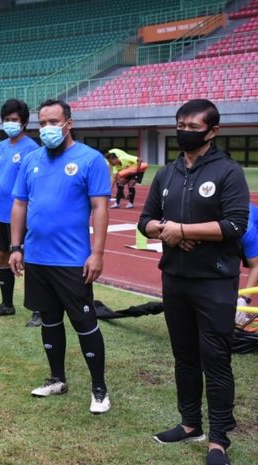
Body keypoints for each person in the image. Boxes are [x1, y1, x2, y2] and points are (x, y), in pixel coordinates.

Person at [138, 99, 248, 465]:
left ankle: (218, 440)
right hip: (175, 279)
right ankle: (189, 424)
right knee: (184, 357)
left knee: (215, 359)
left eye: (193, 126)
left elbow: (235, 225)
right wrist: (166, 231)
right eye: (180, 124)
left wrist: (182, 229)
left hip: (214, 282)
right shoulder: (168, 173)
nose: (184, 131)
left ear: (213, 131)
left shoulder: (229, 172)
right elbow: (146, 221)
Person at [9, 99, 112, 414]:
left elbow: (100, 208)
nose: (47, 128)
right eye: (42, 123)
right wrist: (15, 247)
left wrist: (96, 254)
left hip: (72, 261)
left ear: (69, 123)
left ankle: (99, 389)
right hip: (38, 258)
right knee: (49, 321)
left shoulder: (90, 160)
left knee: (84, 323)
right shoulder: (31, 160)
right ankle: (57, 379)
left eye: (54, 122)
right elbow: (20, 205)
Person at [0, 99, 40, 324]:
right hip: (0, 214)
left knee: (29, 260)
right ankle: (7, 305)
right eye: (6, 120)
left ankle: (39, 310)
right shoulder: (0, 147)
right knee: (2, 257)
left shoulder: (32, 149)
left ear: (23, 122)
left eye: (14, 120)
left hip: (21, 216)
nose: (10, 123)